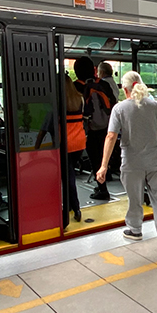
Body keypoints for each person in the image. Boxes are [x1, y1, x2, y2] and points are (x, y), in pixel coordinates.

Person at [96, 71, 157, 259]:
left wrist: (103, 166)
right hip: (156, 162)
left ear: (124, 89)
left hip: (132, 163)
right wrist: (156, 133)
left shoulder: (119, 109)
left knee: (134, 198)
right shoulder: (154, 105)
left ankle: (135, 230)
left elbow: (111, 136)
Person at [73, 57, 118, 201]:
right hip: (108, 127)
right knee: (103, 157)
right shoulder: (103, 84)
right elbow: (113, 104)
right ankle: (103, 184)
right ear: (93, 69)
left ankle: (102, 189)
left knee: (95, 160)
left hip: (89, 130)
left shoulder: (76, 87)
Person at [63, 74, 86, 224]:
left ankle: (75, 208)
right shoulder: (79, 99)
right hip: (79, 142)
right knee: (70, 174)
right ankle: (71, 205)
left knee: (68, 177)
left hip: (65, 143)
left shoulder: (59, 100)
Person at [98, 62, 123, 176]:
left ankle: (105, 169)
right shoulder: (113, 82)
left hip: (106, 117)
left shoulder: (103, 84)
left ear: (102, 72)